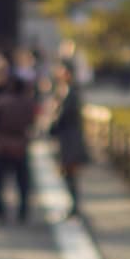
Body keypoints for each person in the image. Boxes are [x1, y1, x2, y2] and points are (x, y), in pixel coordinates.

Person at [0, 74, 40, 225]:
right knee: (22, 182)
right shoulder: (28, 103)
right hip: (20, 144)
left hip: (1, 144)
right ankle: (23, 211)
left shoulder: (2, 102)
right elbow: (33, 121)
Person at [50, 63, 90, 219]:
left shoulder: (71, 93)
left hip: (70, 140)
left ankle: (75, 207)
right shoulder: (63, 91)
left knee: (71, 174)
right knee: (68, 175)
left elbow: (64, 116)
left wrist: (52, 126)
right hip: (66, 138)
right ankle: (73, 206)